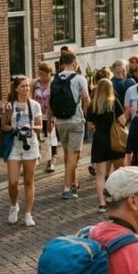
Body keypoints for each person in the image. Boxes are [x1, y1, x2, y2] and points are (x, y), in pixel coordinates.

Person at [2, 75, 42, 226]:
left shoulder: (35, 105)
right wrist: (13, 127)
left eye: (27, 86)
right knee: (13, 182)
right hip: (14, 146)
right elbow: (3, 126)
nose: (26, 88)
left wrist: (30, 127)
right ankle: (14, 206)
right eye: (23, 86)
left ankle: (28, 214)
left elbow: (40, 127)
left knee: (28, 180)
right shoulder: (10, 106)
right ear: (17, 88)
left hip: (30, 146)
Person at [53, 51, 90, 200]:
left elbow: (50, 102)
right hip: (75, 121)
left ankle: (74, 182)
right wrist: (86, 116)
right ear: (74, 63)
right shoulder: (80, 78)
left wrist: (51, 120)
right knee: (72, 155)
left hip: (60, 122)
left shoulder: (55, 79)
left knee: (69, 154)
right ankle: (67, 188)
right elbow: (86, 99)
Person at [86, 78, 127, 213]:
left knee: (100, 174)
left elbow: (90, 125)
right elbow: (122, 121)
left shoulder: (93, 104)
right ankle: (118, 198)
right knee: (119, 170)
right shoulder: (114, 102)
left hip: (99, 140)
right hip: (114, 139)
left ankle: (102, 204)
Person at [33, 62, 58, 173]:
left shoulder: (53, 85)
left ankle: (51, 162)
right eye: (40, 73)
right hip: (37, 115)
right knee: (37, 138)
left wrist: (51, 114)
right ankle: (35, 161)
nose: (41, 76)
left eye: (44, 74)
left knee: (50, 138)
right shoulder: (35, 84)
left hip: (49, 115)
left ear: (49, 74)